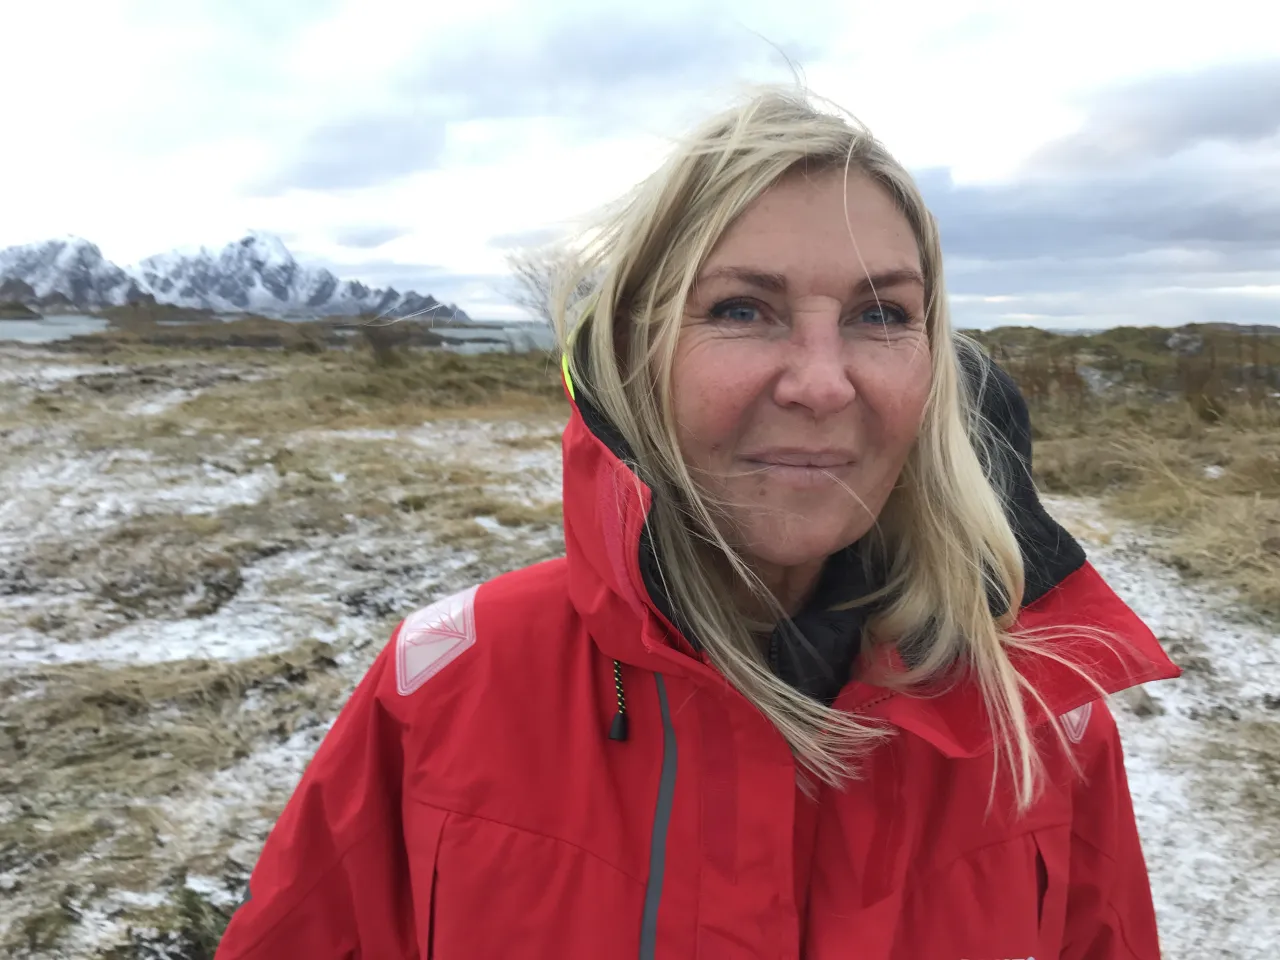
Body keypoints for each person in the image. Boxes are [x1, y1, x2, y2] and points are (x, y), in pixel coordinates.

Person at [215, 88, 1179, 959]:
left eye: (882, 314)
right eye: (743, 309)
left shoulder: (1037, 722)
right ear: (636, 355)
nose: (821, 383)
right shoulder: (445, 689)